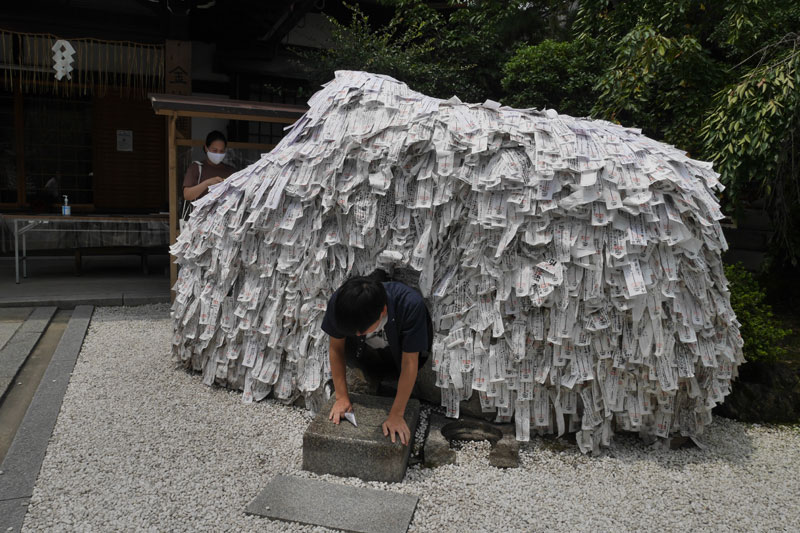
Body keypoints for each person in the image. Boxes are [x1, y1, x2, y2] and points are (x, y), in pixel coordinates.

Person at [321, 275, 432, 446]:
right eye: (353, 332)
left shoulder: (410, 304)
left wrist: (397, 414)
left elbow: (410, 362)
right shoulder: (340, 303)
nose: (357, 335)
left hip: (397, 356)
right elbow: (336, 348)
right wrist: (341, 397)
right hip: (365, 355)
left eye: (362, 331)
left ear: (383, 311)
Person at [182, 130, 236, 202]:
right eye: (214, 150)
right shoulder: (196, 168)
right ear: (206, 148)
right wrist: (207, 183)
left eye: (221, 151)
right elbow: (187, 195)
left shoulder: (231, 171)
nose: (218, 154)